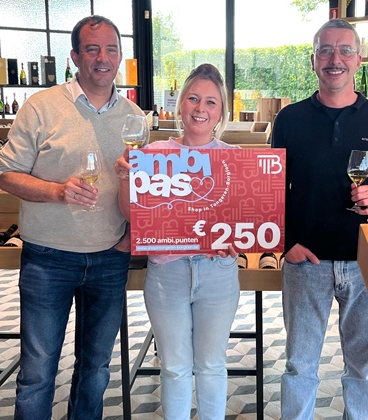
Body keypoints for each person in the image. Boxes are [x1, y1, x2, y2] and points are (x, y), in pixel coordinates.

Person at [0, 15, 145, 419]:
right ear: (75, 56)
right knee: (37, 371)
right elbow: (6, 174)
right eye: (92, 49)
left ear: (120, 56)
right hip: (48, 258)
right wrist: (58, 191)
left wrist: (129, 237)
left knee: (96, 368)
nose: (102, 58)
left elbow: (142, 188)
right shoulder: (41, 107)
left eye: (111, 49)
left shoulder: (134, 116)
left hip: (109, 258)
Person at [270, 19, 368, 419]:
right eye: (326, 50)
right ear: (313, 59)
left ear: (359, 59)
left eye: (345, 50)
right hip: (306, 262)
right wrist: (286, 244)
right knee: (299, 366)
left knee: (363, 367)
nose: (336, 59)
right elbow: (272, 189)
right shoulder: (289, 120)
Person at [116, 63, 240, 419]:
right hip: (166, 274)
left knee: (212, 365)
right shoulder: (154, 154)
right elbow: (132, 215)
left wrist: (238, 238)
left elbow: (245, 223)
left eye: (211, 102)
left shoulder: (233, 158)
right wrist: (125, 179)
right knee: (173, 367)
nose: (201, 108)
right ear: (180, 104)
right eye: (193, 98)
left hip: (218, 272)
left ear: (221, 112)